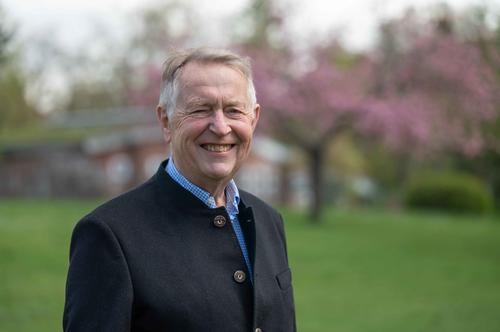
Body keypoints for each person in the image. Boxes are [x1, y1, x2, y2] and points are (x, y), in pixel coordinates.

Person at [63, 47, 296, 332]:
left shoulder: (268, 219)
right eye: (201, 109)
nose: (221, 127)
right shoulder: (109, 235)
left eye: (234, 110)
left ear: (253, 119)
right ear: (166, 121)